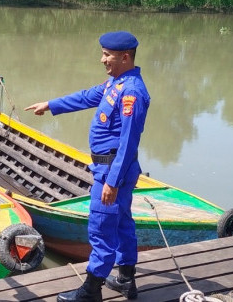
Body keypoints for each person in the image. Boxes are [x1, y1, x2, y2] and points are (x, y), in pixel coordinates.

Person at [25, 31, 150, 302]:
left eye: (107, 55)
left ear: (125, 57)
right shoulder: (116, 83)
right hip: (113, 169)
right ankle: (126, 279)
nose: (102, 59)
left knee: (101, 228)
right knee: (122, 223)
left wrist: (112, 182)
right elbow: (85, 97)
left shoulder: (131, 93)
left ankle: (91, 289)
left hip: (112, 171)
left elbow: (128, 143)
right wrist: (50, 105)